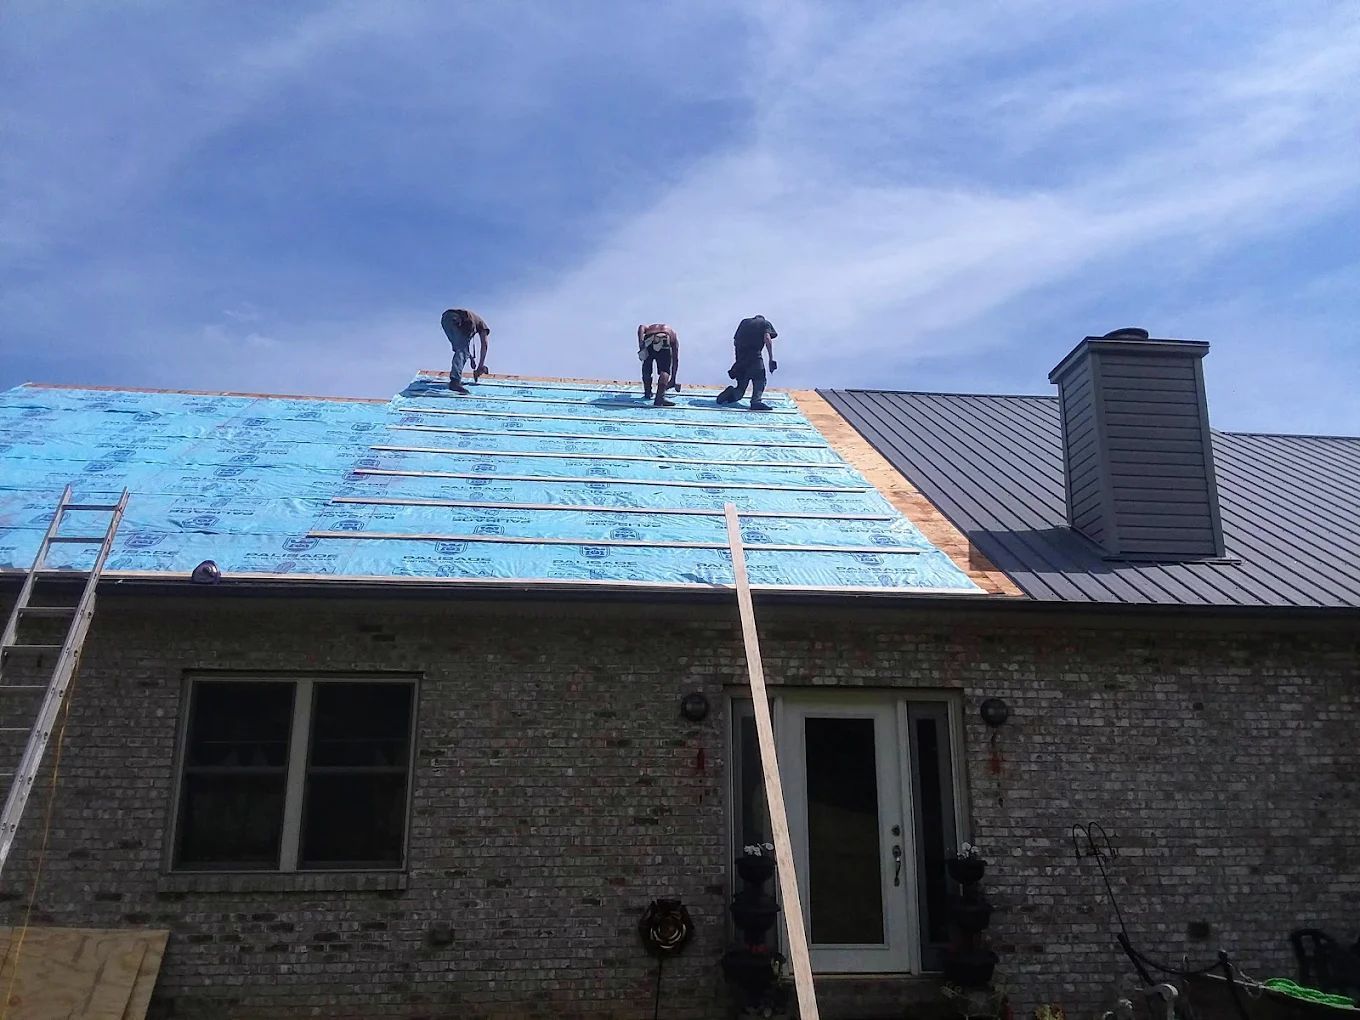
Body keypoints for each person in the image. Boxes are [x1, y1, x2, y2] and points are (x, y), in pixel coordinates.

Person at [717, 315, 777, 411]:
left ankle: (730, 393)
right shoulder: (765, 323)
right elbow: (767, 338)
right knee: (760, 379)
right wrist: (771, 359)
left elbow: (735, 341)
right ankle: (756, 401)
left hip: (742, 359)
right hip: (755, 357)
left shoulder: (744, 322)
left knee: (740, 391)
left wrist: (739, 361)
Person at [440, 308, 491, 394]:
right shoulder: (481, 326)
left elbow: (463, 345)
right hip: (458, 318)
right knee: (462, 351)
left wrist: (471, 358)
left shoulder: (473, 322)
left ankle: (455, 378)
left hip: (446, 319)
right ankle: (455, 381)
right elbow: (484, 345)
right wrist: (480, 366)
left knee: (460, 349)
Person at [637, 322, 680, 408]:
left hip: (649, 340)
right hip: (664, 340)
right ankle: (659, 398)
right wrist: (673, 379)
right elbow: (675, 359)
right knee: (665, 370)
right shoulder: (672, 334)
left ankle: (647, 392)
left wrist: (641, 343)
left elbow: (641, 327)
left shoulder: (650, 328)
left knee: (646, 365)